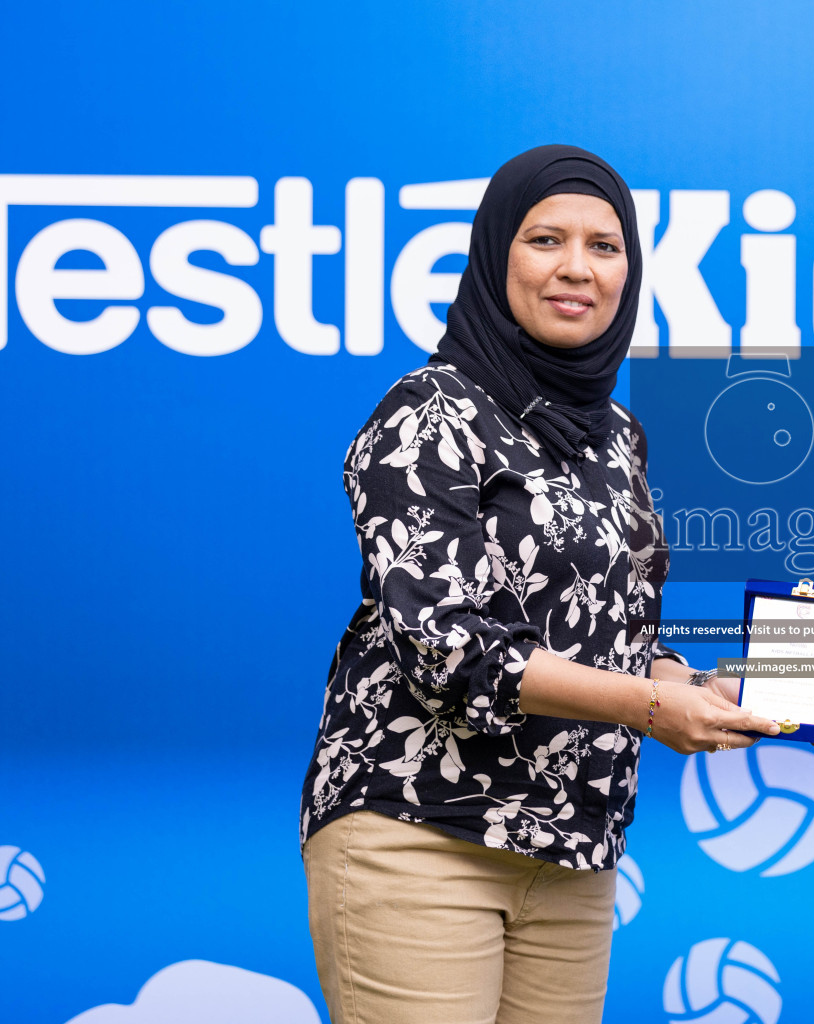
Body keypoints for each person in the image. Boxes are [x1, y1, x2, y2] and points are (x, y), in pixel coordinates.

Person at [298, 145, 779, 1024]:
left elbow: (617, 633)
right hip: (422, 831)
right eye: (545, 239)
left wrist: (698, 686)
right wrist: (646, 707)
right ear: (494, 257)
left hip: (572, 849)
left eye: (606, 246)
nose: (577, 269)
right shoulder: (426, 412)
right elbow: (444, 647)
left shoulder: (615, 433)